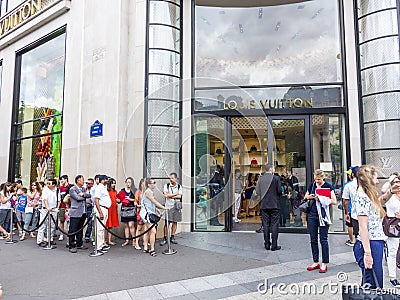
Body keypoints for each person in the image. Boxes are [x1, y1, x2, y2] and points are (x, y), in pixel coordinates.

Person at [352, 165, 386, 289]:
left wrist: (390, 191)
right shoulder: (362, 197)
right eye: (375, 178)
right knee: (374, 285)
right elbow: (363, 226)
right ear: (368, 179)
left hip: (373, 242)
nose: (377, 181)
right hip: (371, 243)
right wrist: (367, 253)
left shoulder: (366, 196)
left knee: (371, 282)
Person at [304, 169, 336, 273]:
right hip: (312, 214)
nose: (317, 181)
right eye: (315, 179)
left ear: (323, 178)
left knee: (323, 239)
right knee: (313, 239)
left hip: (323, 215)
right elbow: (305, 196)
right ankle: (315, 261)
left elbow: (334, 201)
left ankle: (324, 263)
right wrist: (312, 196)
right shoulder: (312, 185)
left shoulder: (328, 186)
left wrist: (321, 198)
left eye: (318, 179)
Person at [255, 164, 282, 251]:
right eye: (273, 168)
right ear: (270, 169)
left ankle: (267, 244)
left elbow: (257, 191)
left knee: (265, 224)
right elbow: (279, 191)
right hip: (274, 204)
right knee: (274, 224)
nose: (274, 169)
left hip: (264, 204)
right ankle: (274, 245)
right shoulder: (276, 178)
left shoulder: (260, 178)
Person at [380, 173, 400, 287]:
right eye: (395, 182)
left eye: (398, 182)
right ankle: (393, 276)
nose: (397, 184)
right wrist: (390, 180)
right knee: (392, 251)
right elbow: (383, 190)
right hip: (393, 226)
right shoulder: (389, 195)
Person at [140, 178, 168, 257]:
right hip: (147, 214)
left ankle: (145, 247)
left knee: (147, 230)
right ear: (149, 185)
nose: (155, 184)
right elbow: (153, 201)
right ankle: (152, 249)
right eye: (153, 183)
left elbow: (149, 203)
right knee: (153, 232)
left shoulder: (149, 192)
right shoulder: (148, 192)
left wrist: (156, 209)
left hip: (148, 213)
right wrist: (163, 207)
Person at [68, 175, 92, 253]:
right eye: (82, 180)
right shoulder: (72, 189)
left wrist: (83, 195)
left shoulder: (83, 189)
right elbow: (77, 198)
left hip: (83, 212)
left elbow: (89, 195)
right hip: (75, 212)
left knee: (80, 228)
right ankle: (71, 245)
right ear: (78, 181)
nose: (83, 181)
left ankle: (79, 243)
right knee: (73, 229)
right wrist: (84, 196)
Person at [160, 172, 183, 245]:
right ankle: (165, 237)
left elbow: (180, 196)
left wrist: (171, 195)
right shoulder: (166, 186)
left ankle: (172, 237)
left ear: (176, 178)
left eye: (172, 178)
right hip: (168, 207)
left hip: (176, 207)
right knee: (167, 223)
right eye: (170, 178)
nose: (171, 179)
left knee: (175, 222)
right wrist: (175, 194)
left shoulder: (179, 186)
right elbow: (166, 195)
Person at [37, 179, 60, 247]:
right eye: (47, 183)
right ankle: (40, 240)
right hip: (45, 209)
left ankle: (50, 239)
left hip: (54, 209)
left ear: (54, 185)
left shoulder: (57, 190)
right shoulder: (45, 190)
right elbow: (44, 199)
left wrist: (57, 208)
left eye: (49, 183)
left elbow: (59, 200)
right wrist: (47, 207)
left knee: (52, 225)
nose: (48, 185)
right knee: (42, 224)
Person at [342, 166, 359, 247]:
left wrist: (346, 213)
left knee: (352, 227)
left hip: (353, 212)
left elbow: (345, 201)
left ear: (352, 174)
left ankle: (353, 241)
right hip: (365, 213)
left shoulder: (348, 185)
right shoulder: (367, 184)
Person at [94, 175, 112, 253]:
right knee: (99, 229)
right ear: (102, 180)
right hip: (101, 209)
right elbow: (96, 200)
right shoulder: (99, 188)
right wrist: (100, 212)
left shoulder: (104, 188)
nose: (107, 180)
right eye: (106, 179)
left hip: (105, 209)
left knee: (102, 229)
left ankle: (101, 245)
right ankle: (98, 247)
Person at [117, 177, 137, 247]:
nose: (128, 184)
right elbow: (119, 200)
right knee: (126, 225)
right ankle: (127, 240)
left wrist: (130, 199)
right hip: (124, 209)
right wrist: (118, 200)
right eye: (127, 182)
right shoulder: (122, 191)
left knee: (131, 225)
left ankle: (134, 240)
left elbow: (137, 200)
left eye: (130, 182)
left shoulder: (134, 191)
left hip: (132, 209)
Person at [58, 175, 73, 241]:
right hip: (62, 206)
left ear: (66, 179)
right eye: (60, 180)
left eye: (62, 179)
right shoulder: (60, 188)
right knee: (61, 221)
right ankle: (61, 234)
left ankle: (69, 235)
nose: (61, 181)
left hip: (69, 207)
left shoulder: (70, 187)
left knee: (69, 222)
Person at [106, 178, 119, 246]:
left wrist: (119, 200)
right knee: (106, 225)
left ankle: (109, 240)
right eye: (112, 183)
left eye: (114, 183)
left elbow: (116, 199)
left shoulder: (115, 191)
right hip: (108, 209)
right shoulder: (106, 191)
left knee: (110, 226)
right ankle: (104, 240)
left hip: (113, 209)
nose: (113, 185)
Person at [133, 178, 145, 250]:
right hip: (140, 210)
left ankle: (145, 241)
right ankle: (136, 243)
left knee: (146, 227)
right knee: (139, 227)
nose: (143, 184)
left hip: (146, 211)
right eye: (142, 183)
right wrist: (138, 205)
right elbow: (135, 201)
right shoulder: (138, 192)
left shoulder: (147, 191)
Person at [85, 176, 98, 243]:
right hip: (84, 207)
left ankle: (88, 236)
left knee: (90, 223)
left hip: (90, 207)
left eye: (89, 183)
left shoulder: (93, 190)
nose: (87, 185)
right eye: (87, 183)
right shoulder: (84, 190)